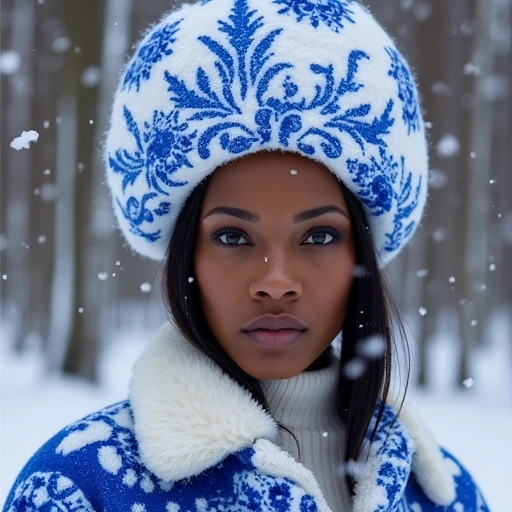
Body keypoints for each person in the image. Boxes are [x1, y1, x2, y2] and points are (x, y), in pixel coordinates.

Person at [4, 0, 489, 510]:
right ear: (186, 256)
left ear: (360, 257)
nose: (276, 281)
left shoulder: (443, 494)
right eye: (233, 237)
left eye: (319, 236)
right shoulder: (80, 486)